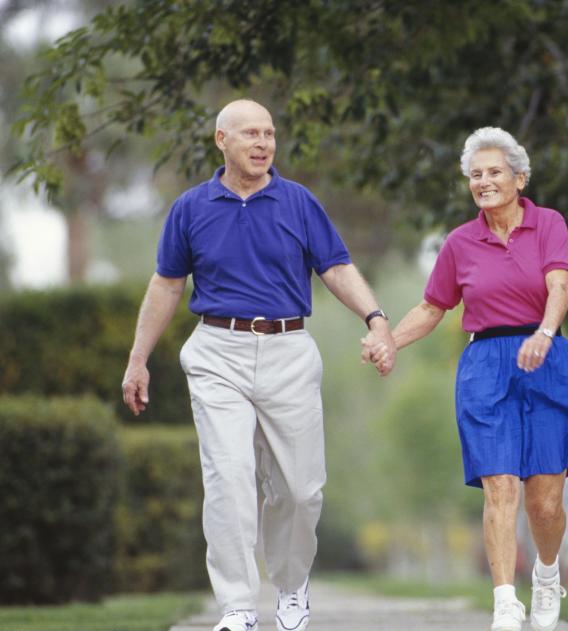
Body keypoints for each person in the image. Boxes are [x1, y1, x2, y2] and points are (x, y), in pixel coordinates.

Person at [121, 99, 396, 631]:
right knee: (228, 477)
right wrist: (138, 360)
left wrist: (376, 318)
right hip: (217, 351)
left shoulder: (298, 202)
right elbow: (167, 285)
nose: (263, 143)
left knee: (299, 488)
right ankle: (238, 606)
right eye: (250, 133)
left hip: (288, 350)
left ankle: (292, 587)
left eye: (269, 133)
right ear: (221, 140)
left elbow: (336, 267)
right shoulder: (190, 208)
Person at [363, 127, 568, 631]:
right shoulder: (460, 243)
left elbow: (561, 284)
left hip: (546, 359)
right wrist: (390, 342)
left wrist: (545, 333)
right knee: (500, 485)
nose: (483, 182)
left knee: (546, 500)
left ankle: (548, 575)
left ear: (519, 177)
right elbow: (431, 307)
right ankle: (506, 602)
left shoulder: (549, 224)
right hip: (486, 368)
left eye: (493, 172)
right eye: (475, 175)